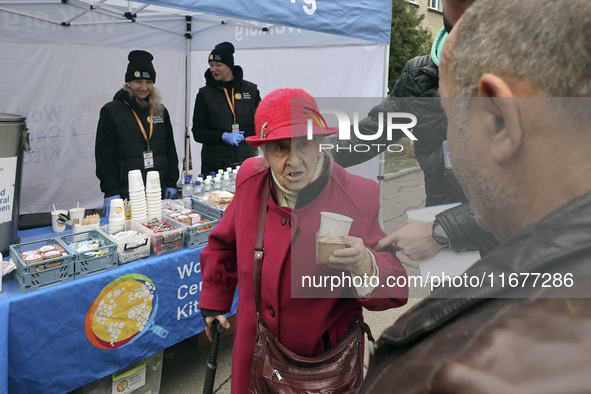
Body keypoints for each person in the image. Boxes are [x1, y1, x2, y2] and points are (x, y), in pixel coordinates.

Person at [359, 0, 591, 391]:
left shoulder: (436, 373)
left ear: (498, 119)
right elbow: (374, 130)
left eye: (456, 119)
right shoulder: (423, 74)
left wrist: (440, 230)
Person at [199, 88, 408, 393]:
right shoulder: (250, 180)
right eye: (280, 148)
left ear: (321, 144)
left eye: (304, 144)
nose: (293, 160)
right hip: (254, 354)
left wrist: (366, 264)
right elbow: (224, 243)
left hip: (320, 368)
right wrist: (214, 301)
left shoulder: (357, 195)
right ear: (264, 153)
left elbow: (397, 286)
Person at [333, 0, 498, 262]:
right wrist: (302, 152)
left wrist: (439, 232)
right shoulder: (418, 76)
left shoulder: (540, 76)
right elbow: (370, 133)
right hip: (448, 259)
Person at [95, 50, 179, 215]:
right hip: (126, 192)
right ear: (128, 82)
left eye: (148, 82)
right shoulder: (111, 111)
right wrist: (110, 190)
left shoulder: (160, 111)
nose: (143, 87)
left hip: (157, 190)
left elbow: (170, 148)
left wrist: (172, 181)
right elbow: (103, 156)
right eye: (138, 81)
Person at [191, 41, 261, 176]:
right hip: (215, 165)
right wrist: (222, 136)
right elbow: (198, 132)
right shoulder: (204, 94)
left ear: (229, 66)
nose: (213, 69)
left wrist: (245, 135)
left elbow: (262, 123)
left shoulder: (251, 91)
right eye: (211, 65)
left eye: (218, 65)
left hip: (247, 162)